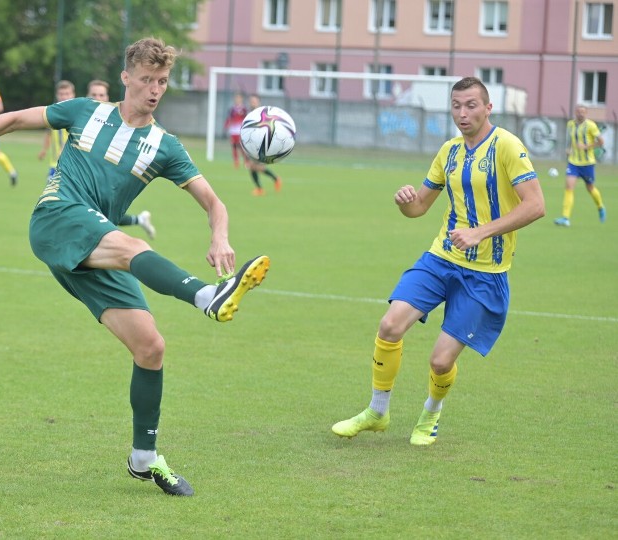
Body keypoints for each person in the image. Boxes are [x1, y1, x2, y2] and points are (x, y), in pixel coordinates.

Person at [0, 37, 270, 496]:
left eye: (161, 82)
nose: (153, 89)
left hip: (94, 242)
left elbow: (213, 201)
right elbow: (11, 120)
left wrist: (219, 235)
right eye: (146, 79)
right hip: (57, 216)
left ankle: (144, 458)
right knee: (130, 244)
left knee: (150, 348)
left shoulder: (165, 147)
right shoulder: (86, 111)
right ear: (126, 78)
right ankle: (206, 296)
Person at [331, 77, 545, 447]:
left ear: (488, 107)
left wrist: (481, 232)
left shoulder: (507, 146)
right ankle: (377, 411)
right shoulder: (448, 151)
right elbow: (419, 209)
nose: (462, 113)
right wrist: (404, 202)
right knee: (390, 325)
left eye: (471, 105)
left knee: (440, 362)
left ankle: (431, 413)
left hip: (485, 274)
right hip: (440, 259)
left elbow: (536, 205)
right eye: (457, 106)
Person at [87, 78, 157, 239]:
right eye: (94, 94)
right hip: (77, 179)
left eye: (101, 95)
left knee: (100, 220)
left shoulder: (117, 123)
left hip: (105, 182)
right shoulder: (78, 117)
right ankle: (139, 221)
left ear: (107, 97)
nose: (98, 98)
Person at [553, 105, 606, 226]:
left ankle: (600, 206)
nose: (580, 114)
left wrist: (586, 147)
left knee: (590, 188)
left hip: (587, 163)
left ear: (586, 113)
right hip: (573, 163)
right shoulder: (570, 124)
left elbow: (601, 142)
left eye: (583, 112)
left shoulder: (591, 125)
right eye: (578, 111)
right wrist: (569, 149)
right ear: (575, 112)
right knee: (569, 187)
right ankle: (565, 218)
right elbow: (573, 140)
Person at [37, 79, 75, 180]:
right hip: (54, 164)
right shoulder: (52, 113)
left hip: (68, 166)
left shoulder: (75, 114)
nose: (64, 97)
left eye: (67, 93)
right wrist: (44, 149)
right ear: (57, 95)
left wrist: (63, 150)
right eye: (61, 94)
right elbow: (49, 133)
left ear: (73, 95)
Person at [245, 94, 282, 196]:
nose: (252, 103)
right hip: (252, 144)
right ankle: (267, 184)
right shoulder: (250, 114)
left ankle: (267, 184)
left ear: (258, 102)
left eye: (254, 101)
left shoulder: (262, 114)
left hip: (261, 144)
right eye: (251, 101)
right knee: (253, 167)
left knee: (254, 166)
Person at [224, 92, 247, 169]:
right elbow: (229, 118)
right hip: (233, 131)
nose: (237, 100)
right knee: (234, 146)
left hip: (240, 131)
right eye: (236, 98)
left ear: (241, 99)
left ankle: (245, 161)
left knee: (241, 147)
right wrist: (226, 125)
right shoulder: (232, 109)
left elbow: (246, 119)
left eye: (239, 98)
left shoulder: (243, 109)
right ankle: (236, 161)